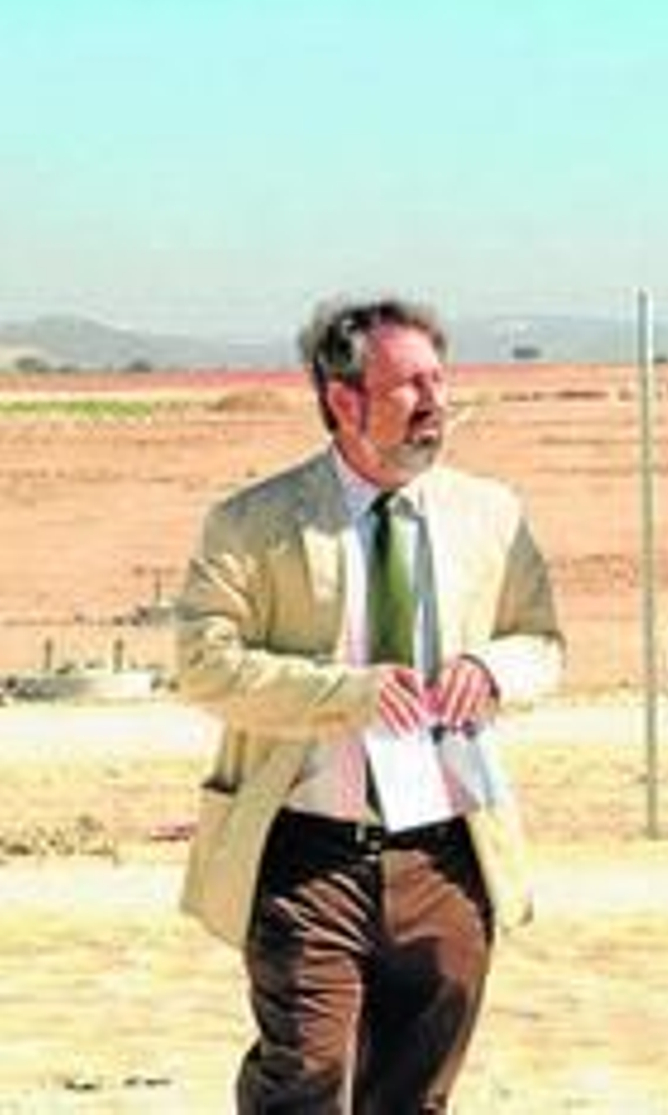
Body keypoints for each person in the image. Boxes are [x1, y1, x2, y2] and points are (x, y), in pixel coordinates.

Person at [175, 296, 563, 1112]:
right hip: (305, 849)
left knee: (418, 1090)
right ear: (344, 401)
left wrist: (492, 670)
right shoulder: (254, 525)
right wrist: (342, 695)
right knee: (307, 1074)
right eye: (409, 386)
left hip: (449, 856)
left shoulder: (489, 516)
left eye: (440, 380)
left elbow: (542, 643)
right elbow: (204, 667)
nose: (436, 403)